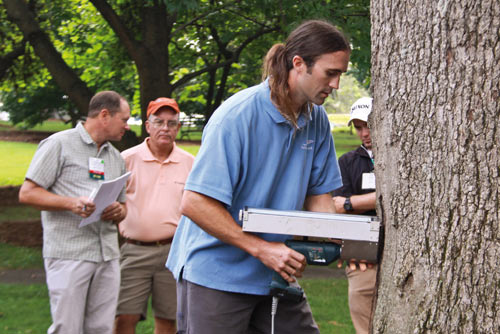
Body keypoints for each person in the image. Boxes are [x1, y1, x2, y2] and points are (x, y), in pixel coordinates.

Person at [166, 20, 352, 333]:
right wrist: (262, 249)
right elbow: (194, 203)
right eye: (330, 73)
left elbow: (319, 199)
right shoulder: (237, 116)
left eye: (340, 75)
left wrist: (349, 243)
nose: (336, 85)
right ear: (298, 64)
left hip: (275, 270)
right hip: (216, 272)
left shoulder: (316, 119)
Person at [18, 91, 131, 334]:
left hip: (107, 255)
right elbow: (27, 193)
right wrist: (71, 203)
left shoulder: (115, 157)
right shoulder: (59, 144)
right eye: (124, 119)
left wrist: (117, 210)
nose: (127, 126)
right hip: (70, 253)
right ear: (104, 115)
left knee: (101, 328)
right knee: (67, 328)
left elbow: (124, 207)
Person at [114, 97, 194, 334]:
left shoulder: (190, 163)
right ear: (148, 126)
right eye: (159, 122)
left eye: (172, 123)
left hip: (173, 252)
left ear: (178, 128)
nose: (165, 128)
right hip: (134, 250)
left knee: (168, 320)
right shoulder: (126, 160)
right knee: (124, 318)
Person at [332, 97, 377, 334]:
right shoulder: (347, 162)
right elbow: (337, 207)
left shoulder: (400, 157)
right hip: (363, 258)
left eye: (368, 125)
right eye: (358, 127)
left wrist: (352, 202)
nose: (364, 133)